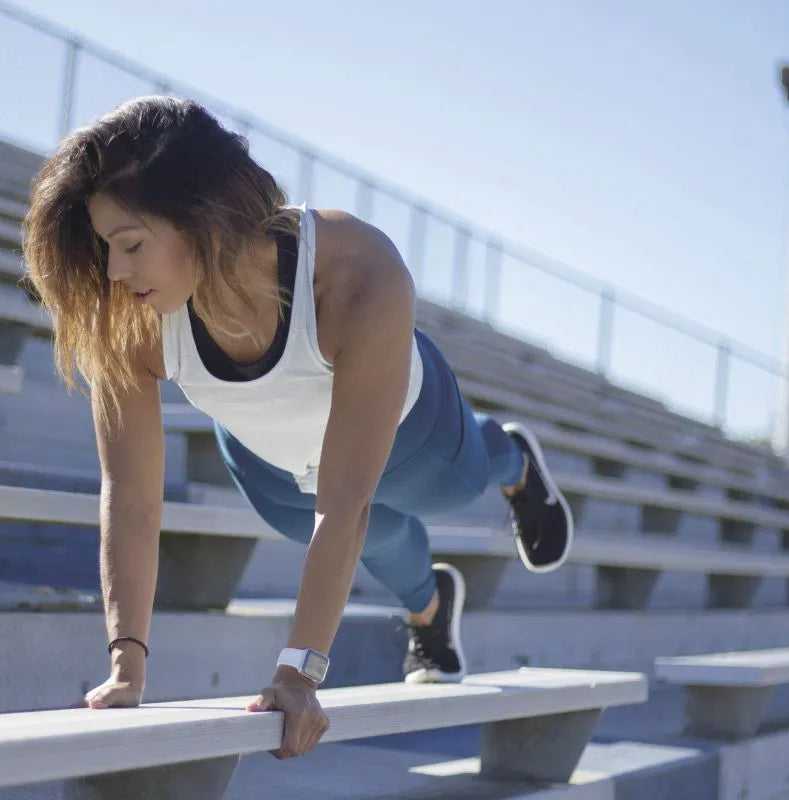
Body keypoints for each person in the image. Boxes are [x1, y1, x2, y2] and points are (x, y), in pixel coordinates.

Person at [22, 96, 573, 760]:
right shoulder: (131, 316)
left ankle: (510, 457)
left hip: (408, 429)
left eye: (131, 244)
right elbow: (131, 496)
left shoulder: (355, 270)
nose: (114, 270)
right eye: (106, 247)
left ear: (203, 214)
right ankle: (431, 608)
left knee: (443, 492)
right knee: (366, 536)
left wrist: (298, 672)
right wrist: (126, 665)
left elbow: (345, 503)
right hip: (269, 456)